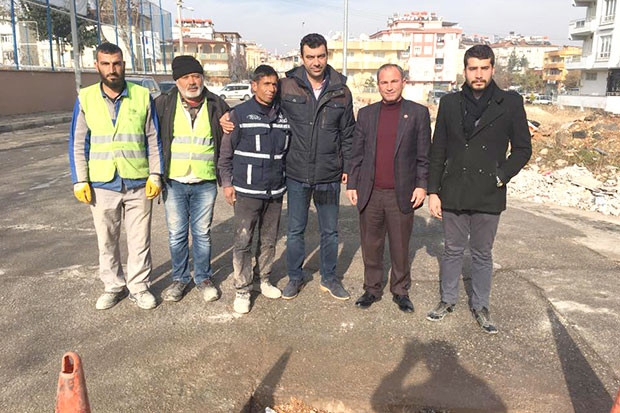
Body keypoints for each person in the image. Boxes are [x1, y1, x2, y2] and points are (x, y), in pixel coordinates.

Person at [221, 33, 355, 301]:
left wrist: (348, 167)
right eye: (310, 57)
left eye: (320, 56)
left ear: (327, 56)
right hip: (295, 172)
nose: (316, 62)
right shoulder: (287, 86)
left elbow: (348, 133)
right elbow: (259, 102)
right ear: (302, 57)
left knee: (330, 231)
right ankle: (295, 277)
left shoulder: (341, 90)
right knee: (295, 231)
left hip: (329, 172)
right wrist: (226, 115)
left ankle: (329, 278)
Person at [426, 45, 532, 334]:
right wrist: (433, 191)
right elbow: (438, 150)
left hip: (488, 192)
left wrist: (501, 176)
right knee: (452, 250)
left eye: (484, 68)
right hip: (454, 189)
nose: (479, 74)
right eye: (473, 68)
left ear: (492, 69)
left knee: (482, 252)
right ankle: (447, 300)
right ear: (465, 70)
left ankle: (481, 305)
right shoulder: (450, 103)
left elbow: (523, 149)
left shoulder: (510, 103)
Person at [69, 42, 163, 310]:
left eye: (117, 63)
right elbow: (78, 142)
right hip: (102, 183)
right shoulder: (85, 98)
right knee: (107, 240)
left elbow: (153, 138)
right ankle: (113, 286)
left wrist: (156, 174)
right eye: (106, 64)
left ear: (124, 64)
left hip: (138, 181)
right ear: (96, 66)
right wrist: (80, 179)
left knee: (140, 239)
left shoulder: (142, 96)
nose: (112, 69)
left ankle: (139, 287)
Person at [346, 64, 431, 313]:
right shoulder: (366, 114)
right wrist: (352, 183)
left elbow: (424, 155)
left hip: (401, 193)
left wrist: (422, 185)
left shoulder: (417, 113)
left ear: (403, 82)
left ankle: (400, 290)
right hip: (370, 192)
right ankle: (371, 289)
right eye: (384, 82)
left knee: (400, 245)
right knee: (371, 244)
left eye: (394, 81)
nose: (389, 87)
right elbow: (357, 153)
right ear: (378, 85)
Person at [154, 55, 230, 303]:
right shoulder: (163, 104)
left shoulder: (217, 104)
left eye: (196, 76)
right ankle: (180, 278)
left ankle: (204, 278)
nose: (192, 81)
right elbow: (152, 140)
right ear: (177, 81)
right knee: (177, 234)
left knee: (202, 233)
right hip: (174, 180)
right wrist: (154, 174)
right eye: (186, 77)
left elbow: (230, 138)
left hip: (205, 180)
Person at [218, 65, 289, 314]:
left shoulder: (283, 115)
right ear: (254, 86)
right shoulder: (239, 114)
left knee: (269, 240)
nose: (271, 89)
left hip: (275, 190)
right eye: (266, 84)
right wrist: (227, 183)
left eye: (274, 84)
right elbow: (225, 153)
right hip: (247, 191)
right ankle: (242, 289)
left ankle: (264, 279)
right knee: (243, 240)